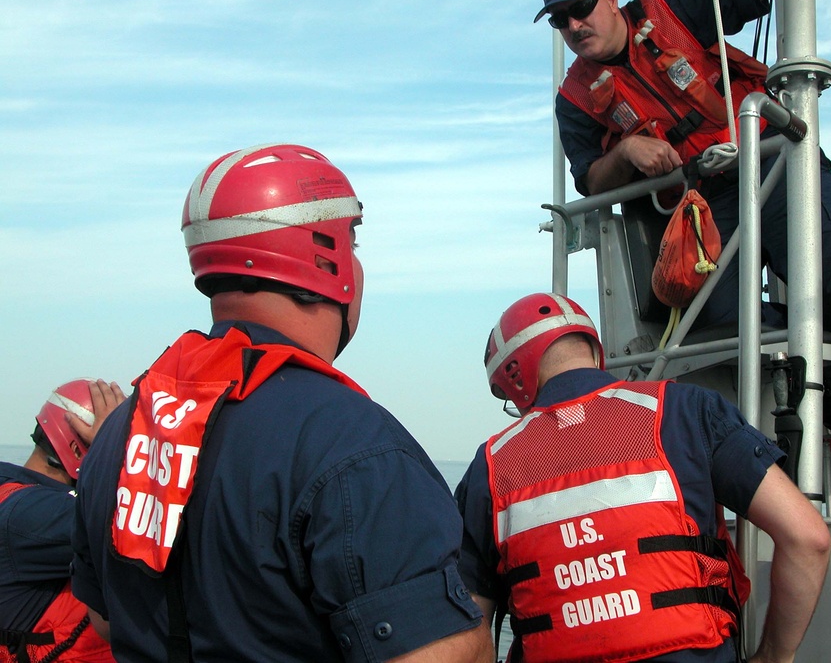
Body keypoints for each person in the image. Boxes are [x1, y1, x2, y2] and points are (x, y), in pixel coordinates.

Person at [534, 0, 831, 520]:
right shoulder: (575, 98)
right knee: (722, 323)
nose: (574, 26)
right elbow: (589, 179)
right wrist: (626, 152)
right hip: (707, 205)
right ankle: (823, 382)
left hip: (775, 164)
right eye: (560, 19)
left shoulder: (676, 5)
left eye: (581, 8)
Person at [70, 144, 493, 662]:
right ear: (325, 257)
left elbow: (106, 619)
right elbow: (441, 652)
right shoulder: (352, 443)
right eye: (353, 243)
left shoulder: (121, 433)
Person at [455, 292, 831, 663]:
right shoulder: (686, 410)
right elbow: (807, 538)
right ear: (593, 350)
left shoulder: (490, 466)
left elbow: (468, 628)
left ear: (514, 376)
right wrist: (773, 656)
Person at [1, 377, 124, 663]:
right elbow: (130, 524)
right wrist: (113, 455)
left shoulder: (18, 498)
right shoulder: (30, 514)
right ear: (79, 451)